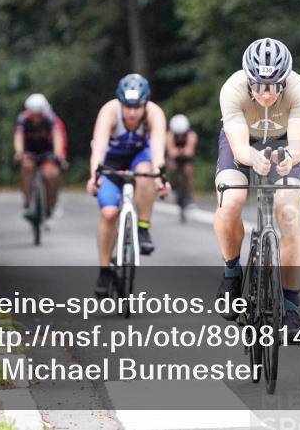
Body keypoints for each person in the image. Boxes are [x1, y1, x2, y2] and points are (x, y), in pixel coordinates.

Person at [213, 38, 300, 340]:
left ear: (285, 81)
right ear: (248, 79)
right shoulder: (232, 88)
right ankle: (232, 273)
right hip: (242, 143)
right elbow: (240, 146)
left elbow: (298, 141)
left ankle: (291, 306)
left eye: (273, 85)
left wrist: (289, 158)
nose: (265, 93)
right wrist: (253, 158)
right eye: (258, 85)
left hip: (283, 142)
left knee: (289, 212)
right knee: (231, 200)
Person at [86, 73, 170, 297]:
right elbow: (99, 148)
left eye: (137, 107)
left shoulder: (154, 113)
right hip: (112, 161)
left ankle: (143, 228)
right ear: (120, 103)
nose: (132, 113)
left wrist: (160, 176)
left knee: (146, 174)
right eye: (127, 106)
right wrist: (94, 176)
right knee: (109, 213)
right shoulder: (109, 112)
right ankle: (104, 270)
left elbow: (158, 151)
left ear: (145, 104)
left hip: (139, 157)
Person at [13, 93, 67, 220]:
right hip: (29, 152)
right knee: (27, 168)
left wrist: (59, 155)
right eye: (34, 114)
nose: (36, 118)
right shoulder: (23, 119)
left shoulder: (50, 118)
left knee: (51, 174)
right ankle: (27, 202)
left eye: (39, 114)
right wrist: (19, 152)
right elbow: (19, 136)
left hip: (47, 152)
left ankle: (52, 203)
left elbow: (57, 135)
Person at [166, 114, 198, 214]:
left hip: (186, 158)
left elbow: (190, 151)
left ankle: (188, 196)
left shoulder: (191, 135)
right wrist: (177, 152)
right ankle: (173, 186)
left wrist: (181, 151)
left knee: (188, 171)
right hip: (174, 158)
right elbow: (171, 151)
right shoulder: (169, 135)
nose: (179, 136)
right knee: (172, 166)